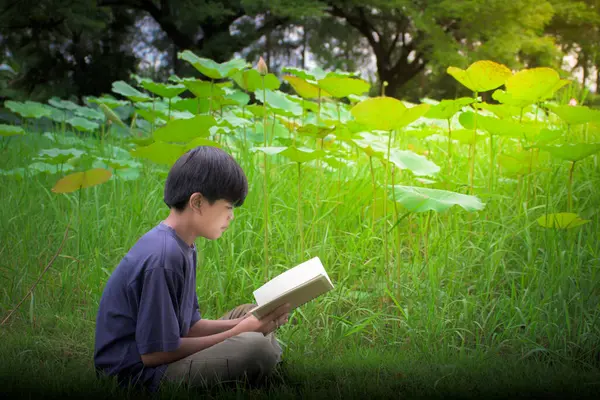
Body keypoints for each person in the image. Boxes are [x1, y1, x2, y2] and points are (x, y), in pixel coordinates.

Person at [93, 146, 291, 393]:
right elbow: (155, 353)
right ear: (197, 202)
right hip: (138, 374)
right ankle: (266, 355)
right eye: (228, 207)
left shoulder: (184, 245)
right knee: (256, 347)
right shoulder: (163, 257)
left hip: (162, 352)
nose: (231, 217)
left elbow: (190, 326)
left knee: (251, 312)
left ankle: (262, 350)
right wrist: (240, 332)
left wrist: (244, 323)